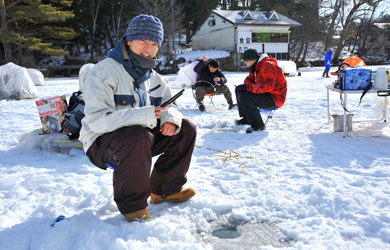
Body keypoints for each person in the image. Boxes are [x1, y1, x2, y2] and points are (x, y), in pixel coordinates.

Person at [79, 14, 197, 222]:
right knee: (136, 134)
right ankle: (133, 206)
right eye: (142, 40)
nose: (148, 48)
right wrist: (144, 115)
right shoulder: (103, 72)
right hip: (100, 142)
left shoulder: (156, 78)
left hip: (140, 140)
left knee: (185, 128)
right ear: (129, 39)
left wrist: (170, 119)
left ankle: (164, 190)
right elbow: (96, 121)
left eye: (154, 43)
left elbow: (171, 105)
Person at [235, 49, 287, 133]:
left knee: (244, 97)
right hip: (266, 94)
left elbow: (268, 86)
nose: (246, 64)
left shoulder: (267, 65)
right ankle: (247, 118)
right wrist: (249, 86)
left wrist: (250, 87)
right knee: (239, 89)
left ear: (253, 60)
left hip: (275, 98)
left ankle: (258, 126)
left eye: (246, 62)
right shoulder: (256, 66)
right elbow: (248, 80)